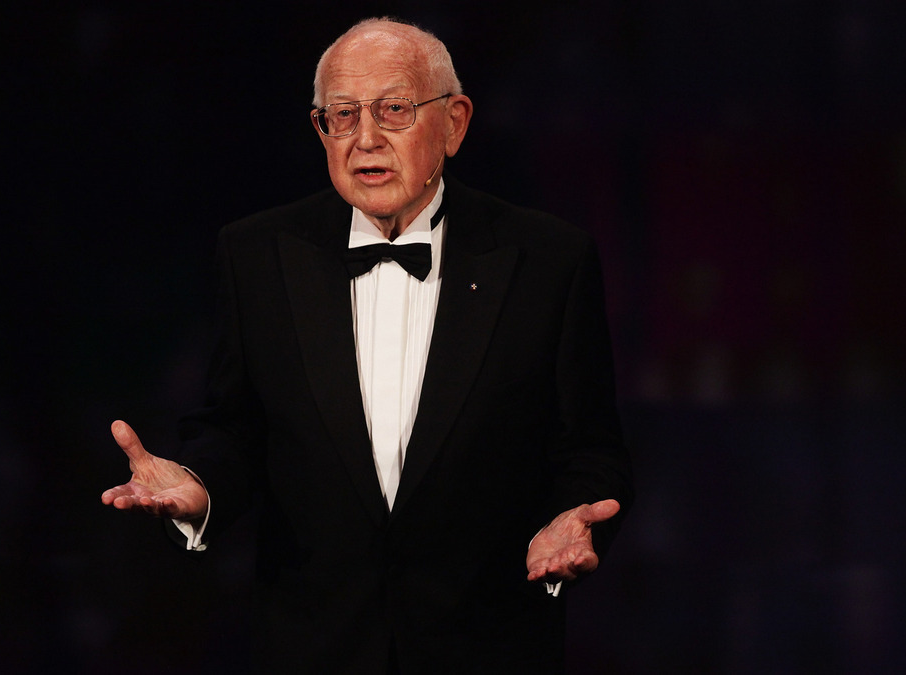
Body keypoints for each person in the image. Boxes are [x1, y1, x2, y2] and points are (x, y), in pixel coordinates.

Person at [101, 17, 633, 674]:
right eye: (343, 115)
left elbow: (590, 450)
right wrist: (201, 487)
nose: (366, 139)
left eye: (394, 110)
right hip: (312, 650)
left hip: (487, 647)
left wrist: (572, 520)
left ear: (455, 123)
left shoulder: (550, 261)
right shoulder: (256, 254)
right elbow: (237, 428)